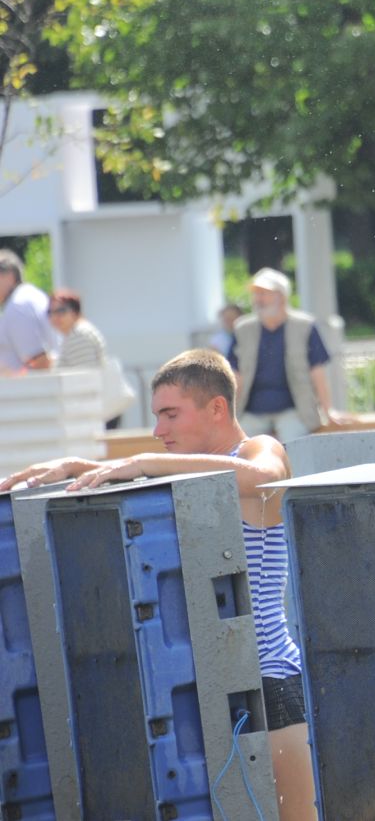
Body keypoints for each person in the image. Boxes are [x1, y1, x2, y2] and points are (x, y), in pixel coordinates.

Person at [1, 350, 318, 821]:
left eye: (170, 414)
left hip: (270, 683)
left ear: (216, 408)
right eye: (156, 417)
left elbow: (266, 476)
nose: (158, 430)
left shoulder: (257, 450)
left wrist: (146, 461)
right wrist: (76, 467)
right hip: (205, 692)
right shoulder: (191, 473)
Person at [228, 269, 338, 440]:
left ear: (282, 296)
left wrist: (328, 410)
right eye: (256, 293)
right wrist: (229, 414)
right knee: (242, 448)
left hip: (294, 411)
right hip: (251, 412)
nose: (258, 299)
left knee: (293, 446)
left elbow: (317, 371)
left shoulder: (305, 325)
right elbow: (235, 375)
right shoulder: (242, 328)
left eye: (264, 293)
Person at [0, 249, 58, 373]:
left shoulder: (18, 306)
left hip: (29, 390)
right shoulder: (29, 296)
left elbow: (40, 362)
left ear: (9, 276)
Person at [48, 288, 109, 370]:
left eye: (61, 310)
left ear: (74, 311)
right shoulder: (78, 332)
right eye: (50, 312)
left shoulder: (78, 335)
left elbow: (87, 378)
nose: (54, 317)